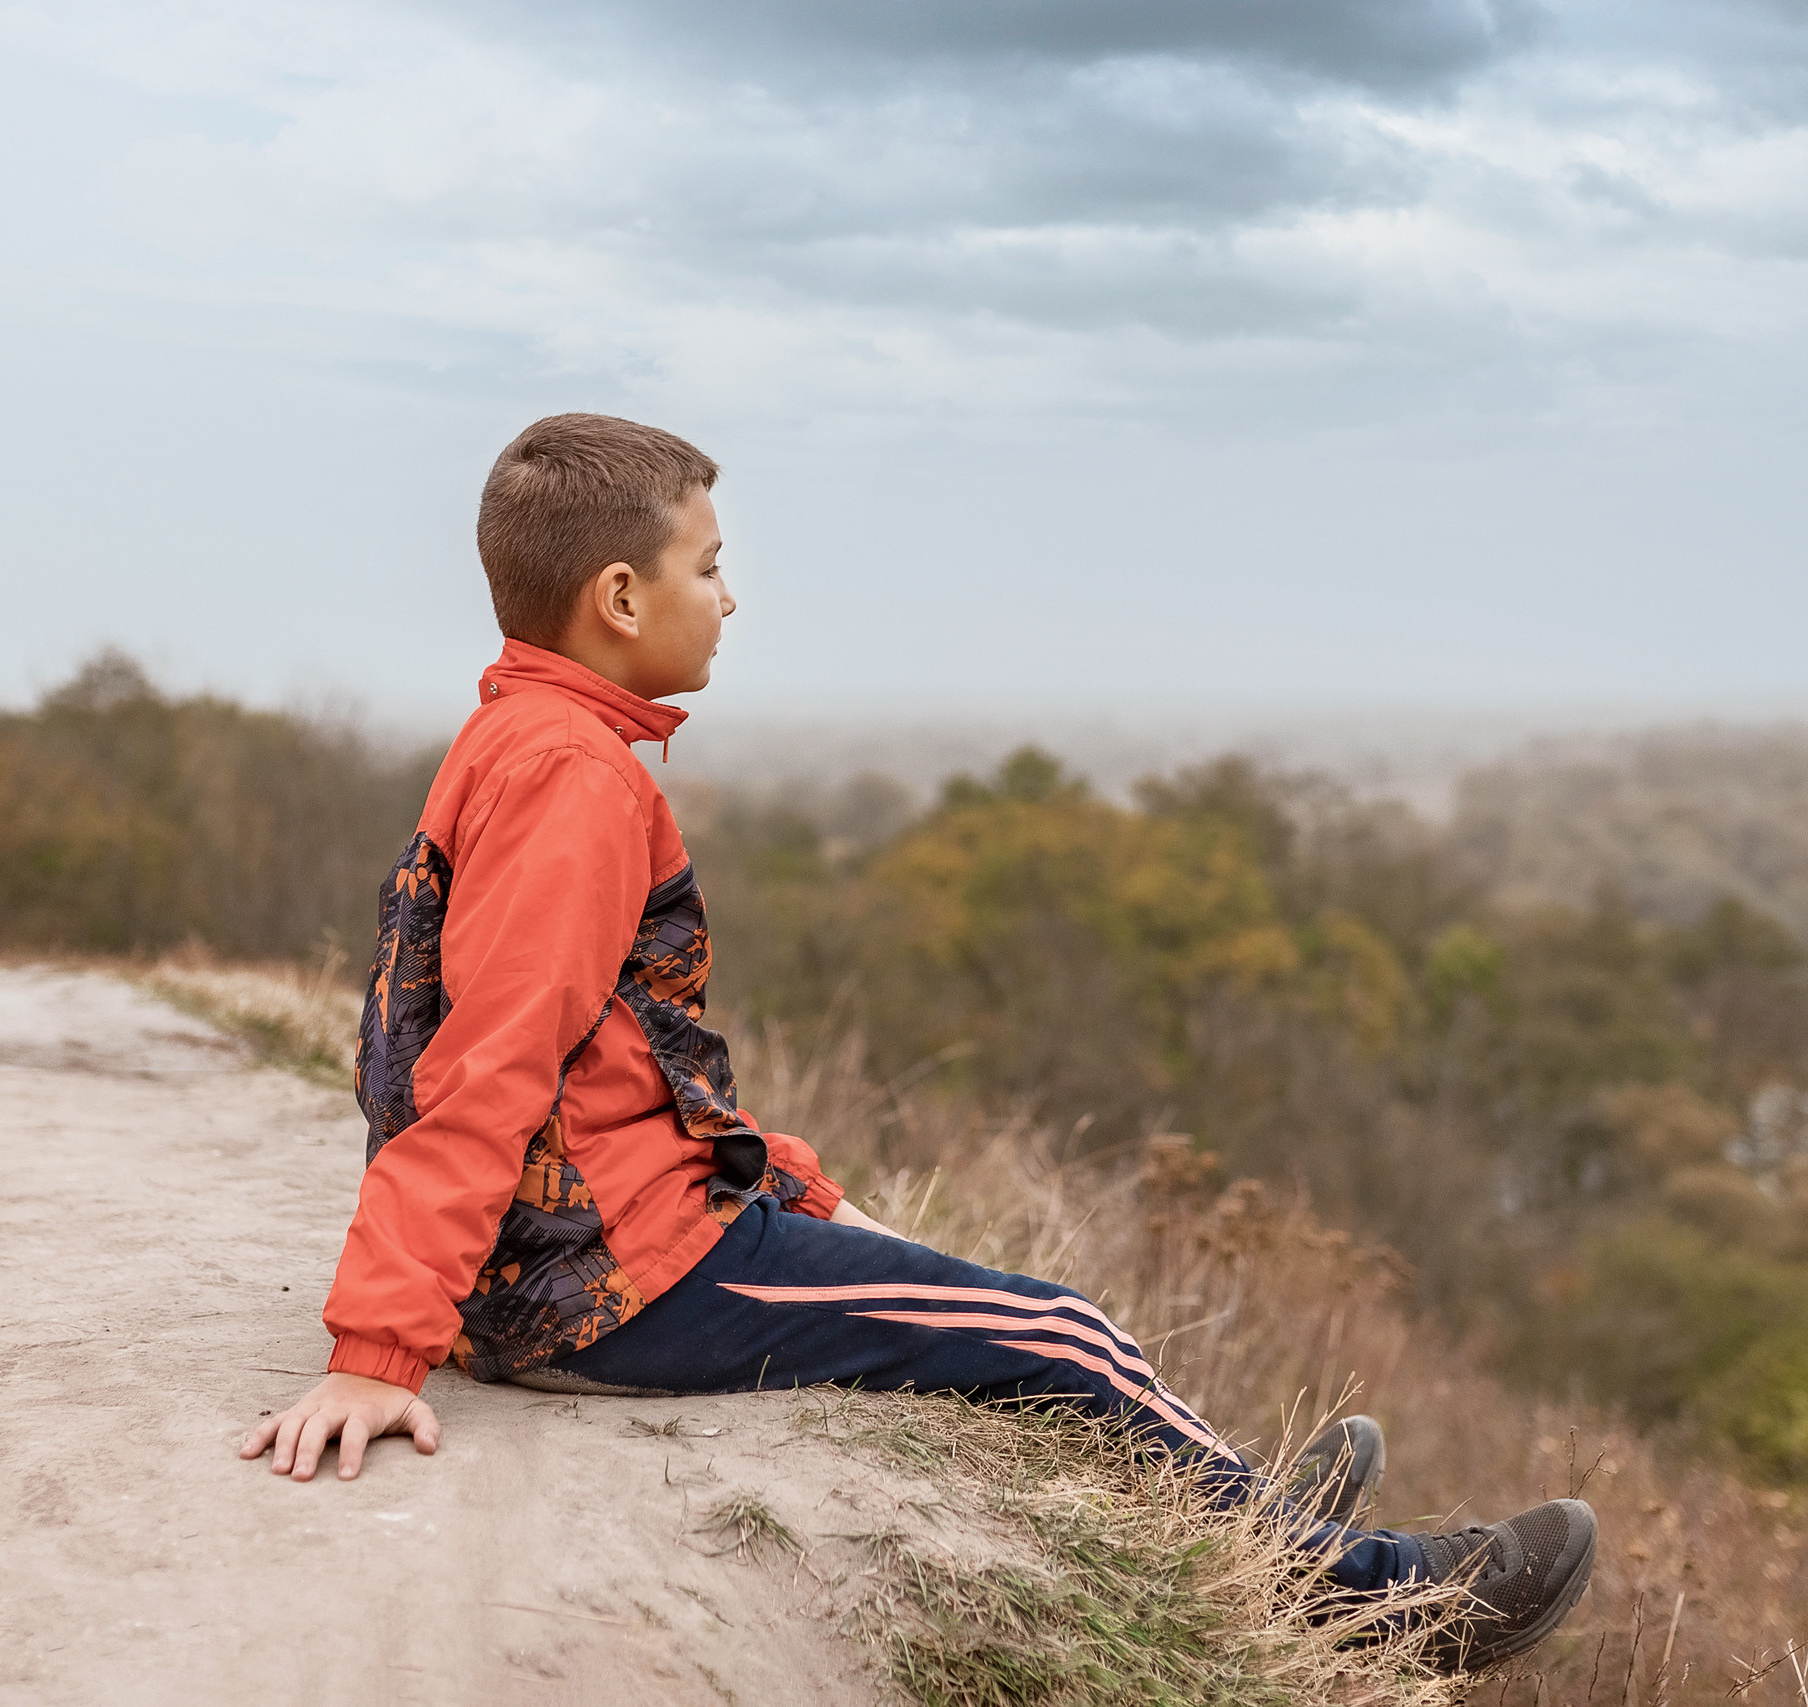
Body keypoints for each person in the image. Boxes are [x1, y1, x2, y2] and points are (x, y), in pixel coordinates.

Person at [237, 412, 1596, 1672]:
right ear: (621, 599)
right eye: (709, 566)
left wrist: (799, 1185)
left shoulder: (523, 737)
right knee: (1064, 1335)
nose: (731, 596)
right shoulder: (573, 778)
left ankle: (1246, 1507)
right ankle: (1371, 1601)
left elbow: (624, 1057)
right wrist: (379, 1348)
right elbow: (487, 1068)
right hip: (609, 1281)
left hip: (600, 1228)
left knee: (975, 1296)